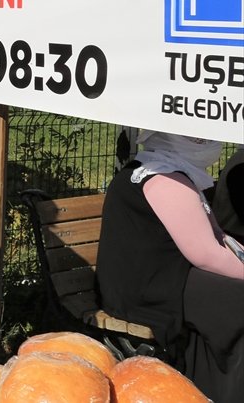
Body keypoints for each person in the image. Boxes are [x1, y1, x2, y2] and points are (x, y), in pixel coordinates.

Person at [97, 131, 244, 401]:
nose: (209, 143)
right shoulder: (165, 178)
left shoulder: (165, 170)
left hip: (158, 280)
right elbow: (207, 254)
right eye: (198, 138)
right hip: (148, 292)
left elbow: (217, 243)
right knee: (237, 304)